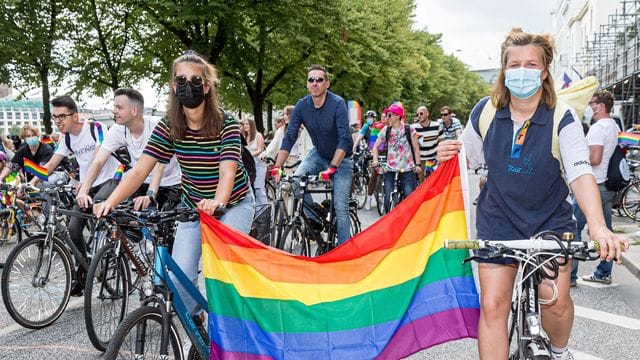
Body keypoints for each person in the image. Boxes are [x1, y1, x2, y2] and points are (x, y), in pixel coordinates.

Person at [437, 28, 628, 360]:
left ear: (543, 72)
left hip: (549, 222)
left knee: (553, 300)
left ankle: (559, 351)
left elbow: (581, 172)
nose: (521, 71)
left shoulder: (561, 117)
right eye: (513, 65)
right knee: (494, 306)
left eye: (530, 64)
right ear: (503, 70)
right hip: (498, 221)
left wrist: (597, 226)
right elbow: (465, 158)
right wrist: (446, 153)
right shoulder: (484, 112)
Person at [94, 50, 255, 315]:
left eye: (195, 80)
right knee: (180, 279)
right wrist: (110, 203)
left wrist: (218, 201)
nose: (187, 86)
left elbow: (228, 172)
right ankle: (198, 326)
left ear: (206, 86)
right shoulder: (169, 125)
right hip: (192, 205)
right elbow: (139, 171)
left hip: (233, 203)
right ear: (173, 85)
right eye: (181, 80)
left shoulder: (226, 123)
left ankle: (227, 333)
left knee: (226, 275)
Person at [41, 95, 122, 296]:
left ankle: (108, 254)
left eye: (62, 116)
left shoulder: (95, 128)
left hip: (108, 180)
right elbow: (50, 166)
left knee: (100, 214)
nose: (58, 121)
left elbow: (98, 157)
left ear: (75, 116)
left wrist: (84, 186)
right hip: (86, 187)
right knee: (73, 228)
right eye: (55, 117)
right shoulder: (66, 138)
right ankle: (84, 270)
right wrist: (29, 183)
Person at [272, 64, 353, 245]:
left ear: (327, 84)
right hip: (318, 153)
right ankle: (314, 218)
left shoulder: (337, 103)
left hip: (342, 159)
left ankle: (346, 254)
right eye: (311, 80)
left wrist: (333, 167)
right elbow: (290, 136)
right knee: (296, 180)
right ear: (307, 84)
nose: (315, 83)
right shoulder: (302, 105)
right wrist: (277, 166)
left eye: (319, 80)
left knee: (341, 209)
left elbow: (345, 139)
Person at [76, 88, 182, 211]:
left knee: (161, 225)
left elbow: (158, 166)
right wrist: (83, 191)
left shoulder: (157, 126)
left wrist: (150, 195)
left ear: (134, 110)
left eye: (119, 107)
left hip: (169, 183)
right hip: (139, 182)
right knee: (122, 219)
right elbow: (98, 161)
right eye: (114, 107)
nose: (114, 111)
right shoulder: (117, 129)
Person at [571, 90, 620, 287]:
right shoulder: (613, 126)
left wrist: (578, 156)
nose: (590, 107)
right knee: (605, 230)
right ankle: (603, 272)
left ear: (599, 106)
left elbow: (596, 158)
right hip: (606, 185)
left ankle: (570, 276)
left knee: (573, 228)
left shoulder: (598, 128)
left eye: (592, 103)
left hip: (594, 184)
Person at [371, 103, 421, 213]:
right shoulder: (386, 130)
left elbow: (416, 148)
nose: (387, 117)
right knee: (387, 198)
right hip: (390, 168)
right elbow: (375, 147)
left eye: (390, 115)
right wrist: (375, 160)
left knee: (409, 197)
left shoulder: (410, 129)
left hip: (407, 169)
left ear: (398, 116)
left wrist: (418, 165)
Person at [240, 117, 268, 205]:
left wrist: (249, 155)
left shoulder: (258, 135)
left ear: (252, 125)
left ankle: (265, 209)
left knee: (259, 188)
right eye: (244, 124)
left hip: (257, 163)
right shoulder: (244, 136)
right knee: (250, 188)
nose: (245, 126)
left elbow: (260, 149)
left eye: (247, 124)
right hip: (248, 165)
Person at [411, 106, 443, 182]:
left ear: (427, 113)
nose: (419, 116)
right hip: (421, 160)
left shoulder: (437, 126)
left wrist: (439, 157)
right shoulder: (414, 128)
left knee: (434, 181)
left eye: (421, 113)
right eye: (417, 114)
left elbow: (441, 141)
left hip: (433, 159)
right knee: (422, 183)